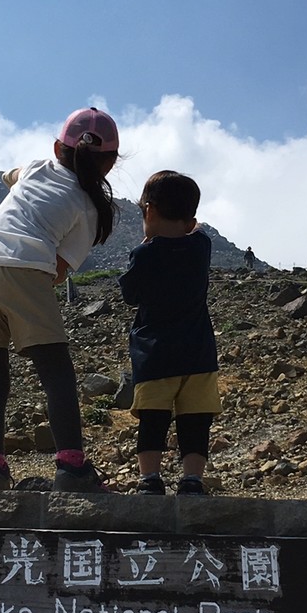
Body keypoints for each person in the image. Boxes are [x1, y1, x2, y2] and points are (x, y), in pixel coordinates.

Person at [0, 107, 119, 493]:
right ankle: (71, 467)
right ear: (110, 164)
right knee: (55, 373)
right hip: (25, 268)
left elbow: (9, 176)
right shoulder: (90, 207)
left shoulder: (35, 167)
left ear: (56, 148)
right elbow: (58, 268)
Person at [118, 170, 219, 496]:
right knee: (195, 420)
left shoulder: (144, 255)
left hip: (154, 354)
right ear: (190, 220)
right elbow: (199, 230)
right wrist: (189, 225)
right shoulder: (201, 247)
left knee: (153, 419)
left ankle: (150, 479)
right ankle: (192, 480)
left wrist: (146, 245)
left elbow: (130, 295)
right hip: (198, 354)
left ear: (148, 211)